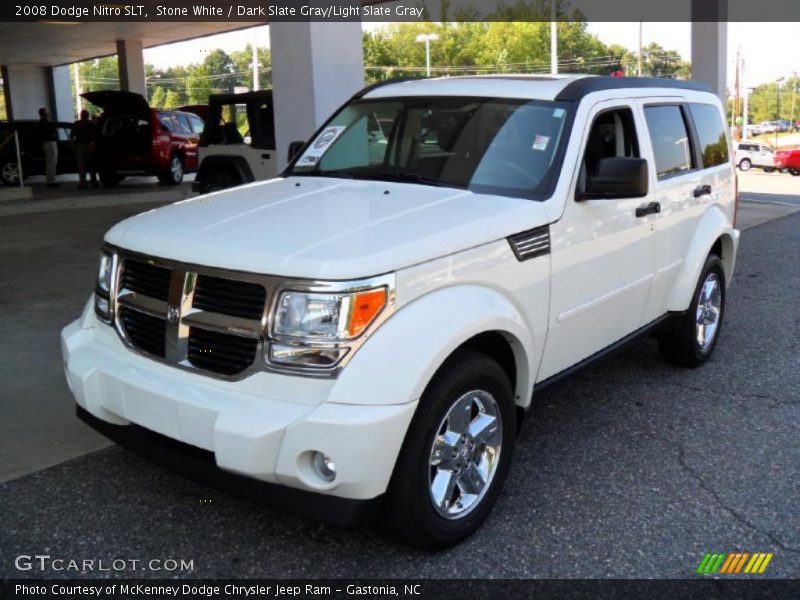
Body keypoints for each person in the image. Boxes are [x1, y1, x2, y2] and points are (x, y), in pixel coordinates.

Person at [71, 109, 98, 188]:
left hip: (79, 146)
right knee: (91, 164)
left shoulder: (76, 123)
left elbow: (72, 135)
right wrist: (93, 144)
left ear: (81, 115)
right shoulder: (91, 124)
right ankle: (93, 181)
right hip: (88, 145)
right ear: (88, 115)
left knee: (81, 165)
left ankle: (83, 182)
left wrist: (72, 143)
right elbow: (94, 135)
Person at [37, 107, 59, 187]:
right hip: (50, 143)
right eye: (47, 112)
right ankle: (51, 181)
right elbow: (54, 132)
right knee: (52, 162)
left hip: (46, 143)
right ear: (44, 114)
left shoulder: (40, 123)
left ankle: (50, 180)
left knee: (50, 162)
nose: (48, 113)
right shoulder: (46, 123)